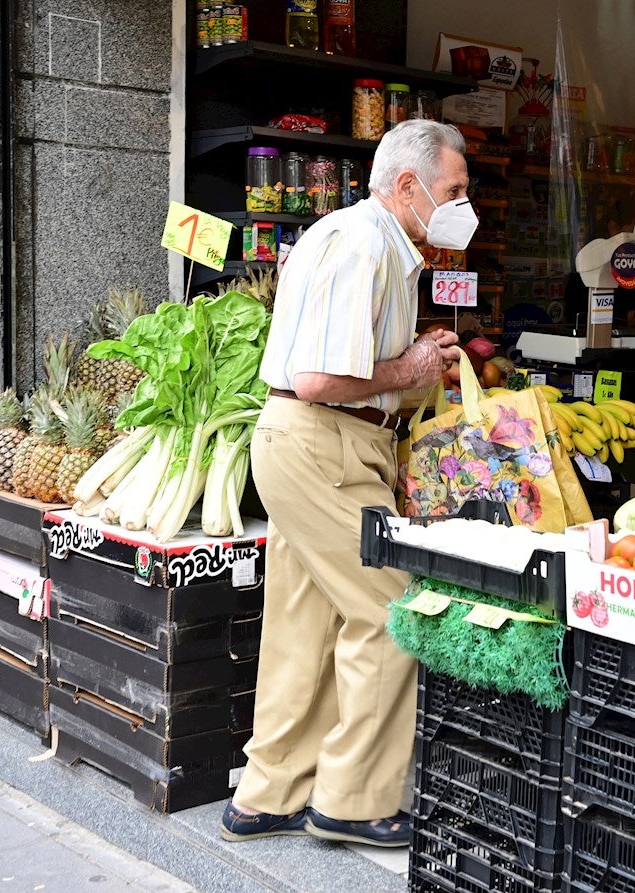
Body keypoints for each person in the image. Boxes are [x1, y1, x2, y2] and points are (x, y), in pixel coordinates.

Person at [219, 119, 476, 848]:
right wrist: (412, 367)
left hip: (313, 444)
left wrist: (408, 366)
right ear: (408, 185)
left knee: (306, 621)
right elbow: (319, 378)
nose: (463, 204)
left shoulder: (372, 243)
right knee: (393, 609)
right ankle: (354, 801)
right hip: (322, 443)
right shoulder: (364, 244)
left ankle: (270, 793)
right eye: (455, 189)